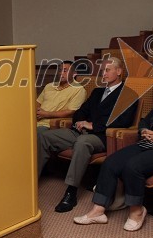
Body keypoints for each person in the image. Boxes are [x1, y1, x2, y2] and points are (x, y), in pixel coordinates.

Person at [74, 71, 153, 231]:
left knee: (133, 166)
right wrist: (144, 130)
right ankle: (98, 211)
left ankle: (137, 211)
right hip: (146, 144)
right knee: (111, 162)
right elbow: (144, 120)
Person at [38, 57, 138, 213]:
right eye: (102, 71)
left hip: (102, 136)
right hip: (80, 131)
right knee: (44, 137)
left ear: (119, 72)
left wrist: (93, 125)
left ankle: (71, 191)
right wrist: (80, 121)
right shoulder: (98, 92)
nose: (103, 74)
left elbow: (123, 121)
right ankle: (32, 182)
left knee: (83, 142)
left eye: (107, 70)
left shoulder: (129, 94)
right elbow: (80, 111)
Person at [37, 60, 87, 138]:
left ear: (74, 73)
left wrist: (46, 114)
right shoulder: (49, 86)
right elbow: (37, 103)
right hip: (35, 121)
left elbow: (70, 112)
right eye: (60, 70)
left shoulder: (79, 89)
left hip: (50, 125)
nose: (61, 73)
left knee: (35, 134)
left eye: (65, 70)